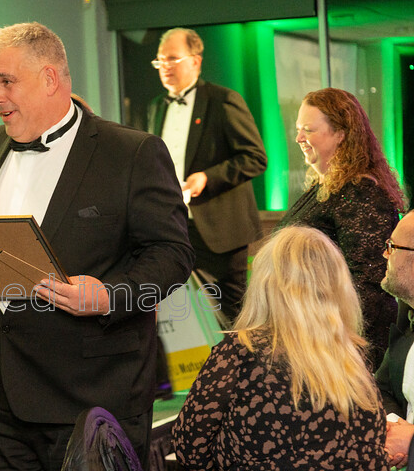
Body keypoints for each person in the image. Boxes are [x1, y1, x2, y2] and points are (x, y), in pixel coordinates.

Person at [0, 21, 195, 470]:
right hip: (0, 400)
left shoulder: (132, 153)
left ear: (50, 79)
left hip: (93, 401)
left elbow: (173, 255)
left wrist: (108, 296)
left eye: (5, 82)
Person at [173, 225, 389, 470]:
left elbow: (188, 449)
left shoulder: (239, 354)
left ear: (265, 285)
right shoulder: (354, 360)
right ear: (338, 286)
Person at [147, 27, 267, 326]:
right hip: (172, 227)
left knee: (232, 318)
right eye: (160, 61)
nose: (166, 67)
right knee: (185, 315)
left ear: (196, 61)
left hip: (220, 231)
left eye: (173, 59)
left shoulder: (223, 100)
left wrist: (207, 177)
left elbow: (255, 158)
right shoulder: (156, 107)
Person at [279, 87, 405, 370]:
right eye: (298, 129)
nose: (299, 138)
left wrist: (337, 345)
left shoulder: (362, 191)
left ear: (341, 133)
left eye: (309, 130)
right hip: (311, 333)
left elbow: (370, 285)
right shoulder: (322, 187)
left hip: (341, 346)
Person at [376, 210, 414, 469]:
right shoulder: (408, 315)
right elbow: (382, 389)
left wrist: (411, 443)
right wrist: (393, 428)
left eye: (392, 246)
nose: (384, 254)